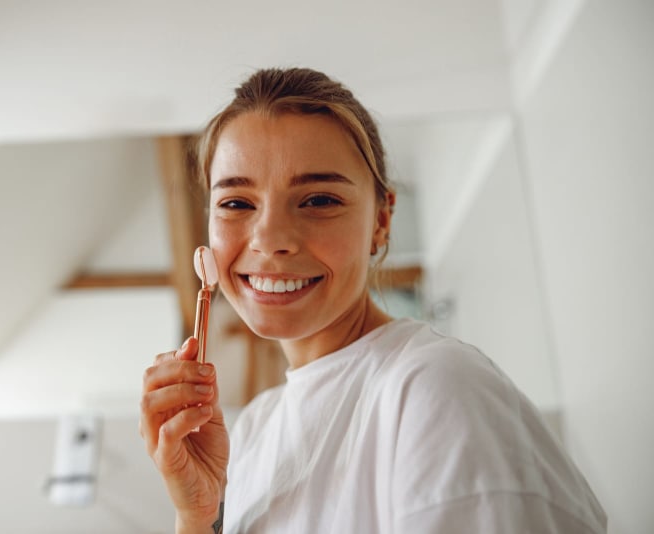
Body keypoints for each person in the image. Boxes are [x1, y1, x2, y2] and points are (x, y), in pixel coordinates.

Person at [139, 67, 606, 533]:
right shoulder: (256, 428)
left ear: (380, 221)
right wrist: (196, 515)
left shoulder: (433, 388)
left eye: (319, 200)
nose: (270, 240)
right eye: (236, 203)